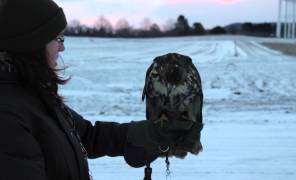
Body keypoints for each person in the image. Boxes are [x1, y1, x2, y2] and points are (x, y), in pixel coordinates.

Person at [0, 0, 203, 180]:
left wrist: (150, 133)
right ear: (31, 44)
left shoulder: (33, 95)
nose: (62, 49)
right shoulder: (8, 113)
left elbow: (87, 136)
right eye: (58, 39)